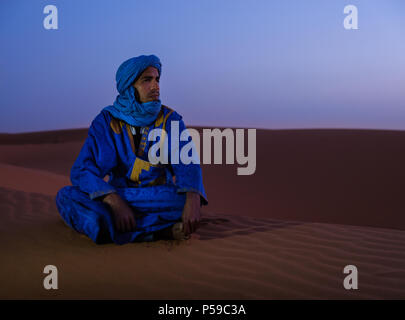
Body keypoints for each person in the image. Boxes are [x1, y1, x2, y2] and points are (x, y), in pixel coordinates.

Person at [55, 55, 208, 245]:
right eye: (147, 80)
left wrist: (193, 196)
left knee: (184, 202)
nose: (156, 86)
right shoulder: (106, 121)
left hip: (157, 197)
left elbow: (187, 164)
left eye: (157, 79)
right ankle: (158, 231)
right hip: (119, 194)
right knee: (66, 196)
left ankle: (110, 228)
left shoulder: (170, 119)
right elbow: (82, 171)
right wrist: (112, 199)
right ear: (129, 86)